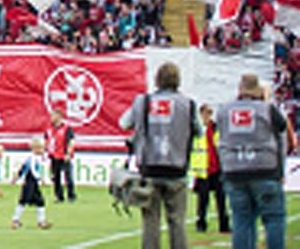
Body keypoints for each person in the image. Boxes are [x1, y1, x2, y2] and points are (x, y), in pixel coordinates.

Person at [120, 60, 196, 249]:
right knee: (177, 222)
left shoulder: (143, 102)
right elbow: (199, 130)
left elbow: (124, 122)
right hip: (177, 169)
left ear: (157, 80)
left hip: (150, 169)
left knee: (150, 223)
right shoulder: (188, 104)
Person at [216, 73, 288, 249]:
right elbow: (282, 136)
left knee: (241, 220)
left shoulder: (224, 110)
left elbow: (220, 139)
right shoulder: (267, 109)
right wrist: (281, 170)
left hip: (234, 171)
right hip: (265, 169)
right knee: (273, 219)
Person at [194, 104, 232, 236]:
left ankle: (224, 224)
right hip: (203, 169)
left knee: (221, 198)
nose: (207, 116)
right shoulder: (198, 130)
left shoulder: (215, 128)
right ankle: (201, 223)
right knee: (203, 200)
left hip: (216, 168)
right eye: (205, 113)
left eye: (209, 113)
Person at [12, 137, 52, 230]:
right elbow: (32, 170)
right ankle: (15, 220)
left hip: (34, 183)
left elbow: (22, 169)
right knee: (23, 201)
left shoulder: (38, 158)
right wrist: (41, 179)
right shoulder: (33, 158)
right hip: (30, 183)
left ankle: (41, 221)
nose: (43, 150)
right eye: (41, 148)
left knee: (40, 201)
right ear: (35, 149)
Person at [47, 112, 76, 203]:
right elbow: (46, 140)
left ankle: (71, 195)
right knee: (56, 177)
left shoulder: (67, 128)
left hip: (63, 155)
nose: (51, 118)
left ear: (59, 117)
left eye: (53, 116)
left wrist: (68, 153)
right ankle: (59, 196)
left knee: (68, 177)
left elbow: (71, 141)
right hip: (53, 156)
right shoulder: (49, 129)